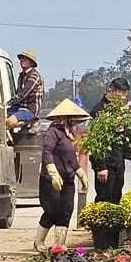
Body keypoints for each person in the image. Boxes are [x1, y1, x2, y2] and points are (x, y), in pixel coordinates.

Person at [35, 99, 89, 251]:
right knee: (52, 210)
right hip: (50, 180)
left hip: (68, 179)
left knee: (66, 209)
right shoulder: (53, 132)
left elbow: (71, 158)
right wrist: (53, 173)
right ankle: (39, 242)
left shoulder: (70, 135)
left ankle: (59, 244)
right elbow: (47, 152)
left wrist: (81, 174)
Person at [87, 76, 131, 204]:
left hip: (118, 160)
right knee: (104, 197)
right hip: (106, 164)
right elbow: (94, 141)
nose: (123, 98)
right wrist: (101, 166)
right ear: (111, 90)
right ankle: (100, 224)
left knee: (116, 196)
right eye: (121, 94)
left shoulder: (120, 110)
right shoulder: (98, 111)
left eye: (125, 95)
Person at [7, 50, 44, 129]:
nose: (22, 61)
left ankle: (33, 121)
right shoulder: (21, 76)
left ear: (31, 62)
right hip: (18, 107)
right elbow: (18, 93)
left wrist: (10, 101)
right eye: (21, 59)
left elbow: (23, 93)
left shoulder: (34, 76)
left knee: (10, 121)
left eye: (25, 59)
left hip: (30, 110)